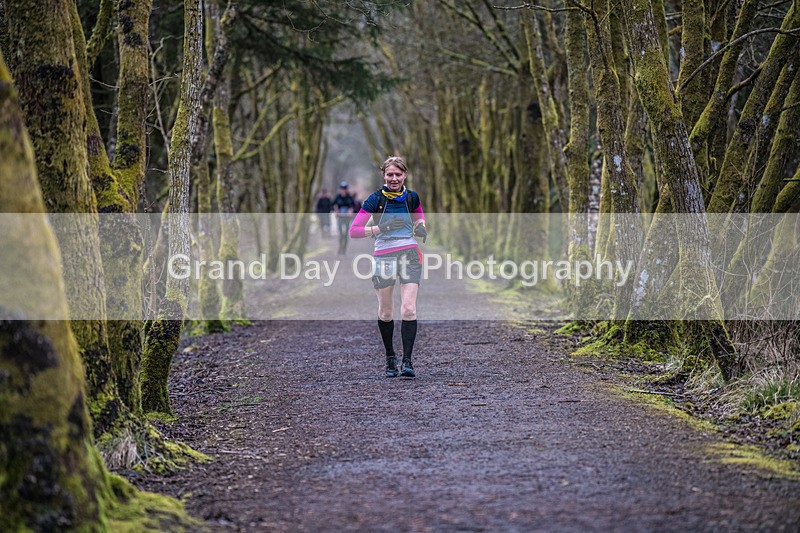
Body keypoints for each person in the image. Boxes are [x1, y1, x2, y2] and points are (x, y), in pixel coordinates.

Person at [349, 156, 427, 378]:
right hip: (384, 257)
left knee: (409, 309)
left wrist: (421, 227)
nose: (394, 178)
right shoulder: (374, 200)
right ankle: (390, 357)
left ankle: (408, 362)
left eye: (398, 174)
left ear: (405, 175)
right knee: (386, 312)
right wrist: (379, 228)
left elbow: (419, 218)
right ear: (384, 175)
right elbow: (354, 231)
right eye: (390, 174)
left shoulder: (411, 197)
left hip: (410, 254)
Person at [333, 181, 355, 255]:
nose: (343, 190)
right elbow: (333, 204)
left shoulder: (349, 197)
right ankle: (340, 247)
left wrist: (350, 210)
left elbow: (353, 206)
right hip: (340, 217)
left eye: (345, 188)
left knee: (345, 234)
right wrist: (336, 210)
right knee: (340, 233)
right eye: (342, 188)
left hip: (346, 218)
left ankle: (344, 249)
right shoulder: (338, 197)